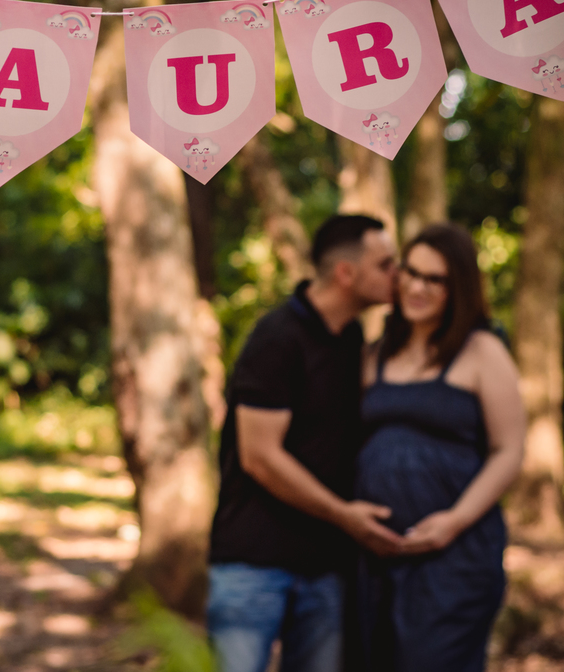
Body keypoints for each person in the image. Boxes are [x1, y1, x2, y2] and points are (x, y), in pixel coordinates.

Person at [207, 214, 403, 672]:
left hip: (325, 568)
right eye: (386, 264)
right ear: (346, 274)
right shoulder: (276, 339)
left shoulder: (352, 337)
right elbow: (259, 457)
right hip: (253, 565)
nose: (398, 275)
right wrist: (345, 516)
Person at [354, 223, 526, 672]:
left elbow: (508, 451)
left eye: (435, 279)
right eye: (410, 272)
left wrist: (454, 521)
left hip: (455, 559)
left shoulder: (483, 351)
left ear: (458, 288)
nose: (416, 286)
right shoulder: (374, 355)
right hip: (373, 557)